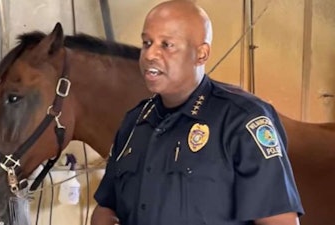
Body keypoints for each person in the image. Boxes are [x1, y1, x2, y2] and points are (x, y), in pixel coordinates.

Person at [91, 0, 304, 224]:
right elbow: (106, 206)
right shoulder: (135, 122)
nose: (150, 54)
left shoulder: (241, 120)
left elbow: (280, 221)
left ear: (201, 54)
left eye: (166, 45)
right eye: (146, 43)